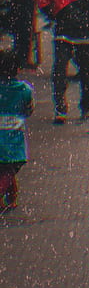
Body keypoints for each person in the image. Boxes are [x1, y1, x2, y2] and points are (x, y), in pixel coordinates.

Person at [0, 43, 34, 209]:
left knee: (5, 169)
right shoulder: (24, 89)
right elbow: (28, 110)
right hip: (14, 140)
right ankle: (8, 198)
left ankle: (9, 198)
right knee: (9, 169)